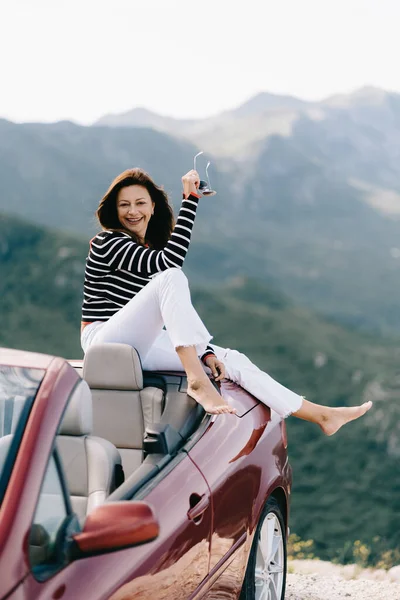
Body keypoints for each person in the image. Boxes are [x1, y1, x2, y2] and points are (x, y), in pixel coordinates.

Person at [81, 168, 372, 432]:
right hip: (103, 340)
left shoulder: (145, 248)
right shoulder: (108, 242)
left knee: (230, 359)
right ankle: (197, 381)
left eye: (140, 203)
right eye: (124, 205)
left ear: (153, 206)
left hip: (138, 342)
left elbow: (171, 313)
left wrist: (205, 352)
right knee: (171, 277)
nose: (133, 211)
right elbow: (170, 263)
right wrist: (191, 200)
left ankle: (321, 415)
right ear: (114, 210)